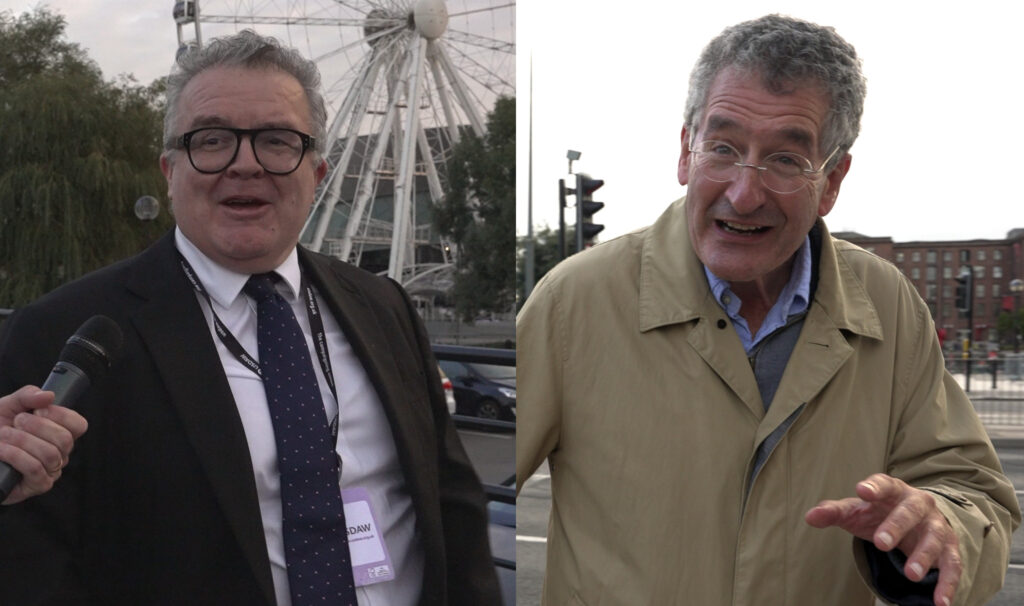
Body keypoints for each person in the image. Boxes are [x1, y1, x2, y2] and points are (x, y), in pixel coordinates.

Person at [516, 14, 1020, 606]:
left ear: (832, 180)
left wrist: (941, 524)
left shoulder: (888, 305)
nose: (743, 192)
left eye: (786, 160)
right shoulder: (572, 304)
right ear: (685, 151)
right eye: (723, 148)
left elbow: (972, 491)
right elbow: (465, 491)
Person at [0, 30, 500, 605]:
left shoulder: (384, 307)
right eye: (212, 140)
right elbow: (30, 559)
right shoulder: (64, 332)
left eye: (277, 140)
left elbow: (452, 506)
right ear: (169, 171)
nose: (245, 164)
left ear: (317, 173)